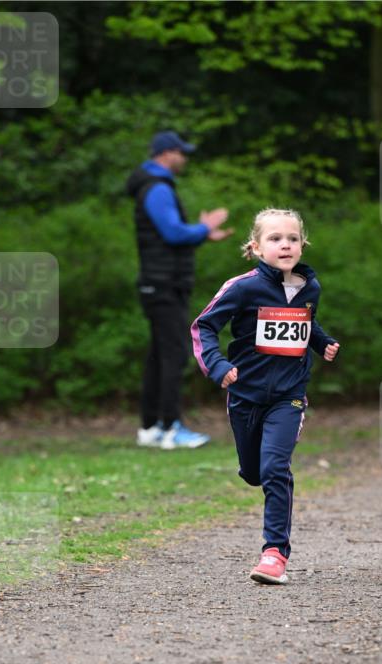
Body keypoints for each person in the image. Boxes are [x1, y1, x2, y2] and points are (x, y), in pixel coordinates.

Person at [191, 208, 339, 584]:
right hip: (244, 393)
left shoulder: (310, 287)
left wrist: (321, 343)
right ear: (256, 247)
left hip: (289, 394)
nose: (285, 244)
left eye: (292, 238)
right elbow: (204, 326)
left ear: (302, 245)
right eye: (275, 239)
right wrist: (219, 367)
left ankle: (275, 553)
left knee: (275, 468)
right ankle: (254, 469)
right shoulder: (243, 287)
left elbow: (306, 319)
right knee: (253, 472)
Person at [126, 130, 233, 449]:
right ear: (165, 154)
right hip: (163, 285)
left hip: (158, 283)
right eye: (180, 152)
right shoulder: (157, 188)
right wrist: (203, 227)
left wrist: (200, 235)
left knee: (159, 355)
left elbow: (170, 234)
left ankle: (150, 427)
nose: (184, 158)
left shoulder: (153, 186)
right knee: (174, 354)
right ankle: (171, 427)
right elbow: (172, 233)